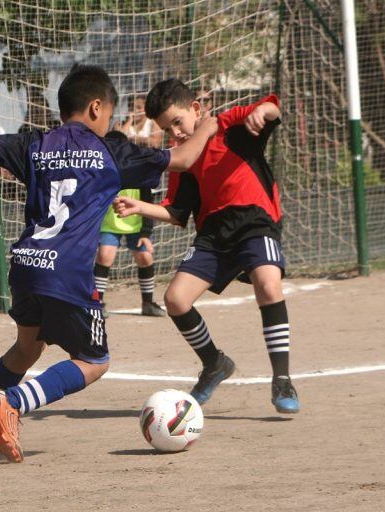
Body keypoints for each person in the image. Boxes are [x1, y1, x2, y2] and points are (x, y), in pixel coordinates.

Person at [0, 65, 217, 463]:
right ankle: (12, 401)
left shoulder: (36, 142)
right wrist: (207, 126)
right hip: (67, 272)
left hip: (27, 263)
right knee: (93, 360)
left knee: (25, 349)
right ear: (95, 107)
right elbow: (185, 158)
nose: (110, 122)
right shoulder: (111, 150)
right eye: (110, 114)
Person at [120, 78, 299, 414]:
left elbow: (272, 109)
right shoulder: (183, 159)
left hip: (255, 222)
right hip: (213, 235)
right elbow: (176, 212)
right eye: (166, 128)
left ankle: (282, 379)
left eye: (178, 121)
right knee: (175, 300)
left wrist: (263, 110)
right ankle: (214, 363)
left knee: (268, 285)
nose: (175, 133)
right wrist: (140, 207)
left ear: (196, 110)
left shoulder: (228, 125)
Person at [94, 130, 167, 318]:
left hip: (135, 224)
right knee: (105, 256)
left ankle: (148, 303)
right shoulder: (100, 172)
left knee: (145, 258)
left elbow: (148, 203)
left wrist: (146, 233)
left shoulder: (137, 172)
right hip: (109, 225)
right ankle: (97, 302)